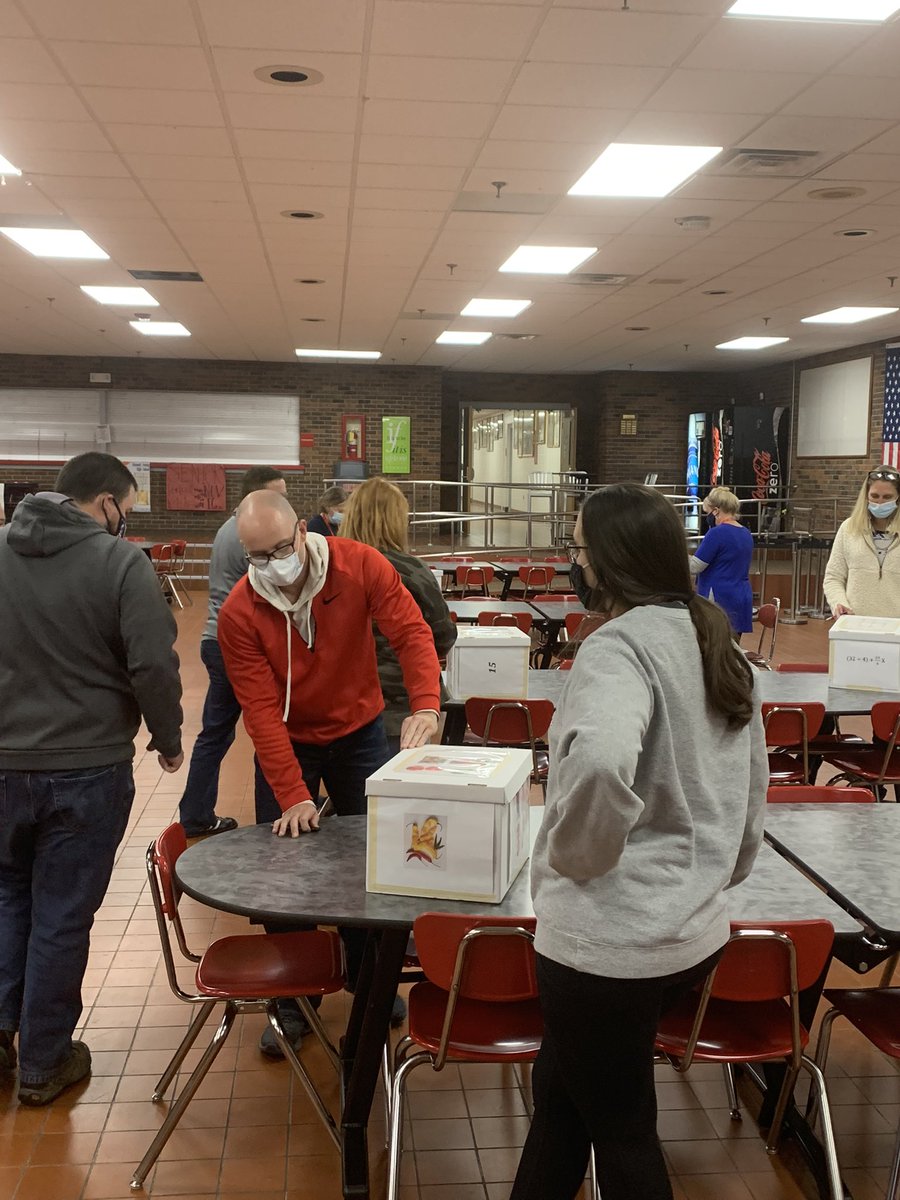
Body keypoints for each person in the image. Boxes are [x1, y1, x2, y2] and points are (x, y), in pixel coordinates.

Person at [511, 484, 766, 1200]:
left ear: (611, 561)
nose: (574, 562)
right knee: (561, 1104)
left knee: (622, 1132)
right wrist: (724, 870)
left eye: (578, 549)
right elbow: (751, 784)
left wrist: (575, 856)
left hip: (606, 946)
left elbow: (598, 762)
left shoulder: (617, 647)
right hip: (689, 929)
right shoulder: (715, 640)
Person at [217, 489, 442, 1055]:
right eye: (257, 556)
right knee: (282, 871)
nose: (273, 564)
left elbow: (412, 632)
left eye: (280, 548)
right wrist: (293, 794)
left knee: (371, 859)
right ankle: (293, 1000)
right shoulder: (240, 612)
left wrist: (425, 705)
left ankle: (370, 979)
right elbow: (259, 711)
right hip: (288, 740)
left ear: (302, 531)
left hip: (359, 731)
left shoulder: (360, 565)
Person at [0, 452, 183, 1106]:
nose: (124, 521)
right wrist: (167, 738)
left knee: (6, 897)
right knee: (61, 914)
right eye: (125, 510)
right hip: (86, 768)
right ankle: (43, 1061)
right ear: (107, 502)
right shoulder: (119, 563)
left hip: (3, 765)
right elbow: (152, 663)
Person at [178, 466, 287, 837]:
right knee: (269, 728)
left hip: (216, 641)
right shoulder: (250, 534)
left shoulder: (230, 528)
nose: (283, 503)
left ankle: (195, 813)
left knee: (216, 733)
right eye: (277, 495)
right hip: (237, 645)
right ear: (255, 496)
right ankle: (273, 813)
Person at [339, 477, 457, 754]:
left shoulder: (333, 569)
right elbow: (442, 636)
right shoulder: (412, 570)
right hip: (405, 707)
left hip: (345, 707)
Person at [824, 466, 900, 618]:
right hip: (854, 623)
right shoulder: (848, 528)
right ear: (866, 496)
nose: (880, 502)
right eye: (875, 496)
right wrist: (839, 603)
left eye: (887, 497)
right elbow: (833, 577)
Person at [689, 485, 753, 636]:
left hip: (718, 597)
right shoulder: (745, 533)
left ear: (716, 511)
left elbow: (695, 566)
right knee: (733, 645)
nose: (707, 517)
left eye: (707, 512)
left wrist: (676, 554)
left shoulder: (716, 533)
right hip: (741, 595)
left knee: (714, 645)